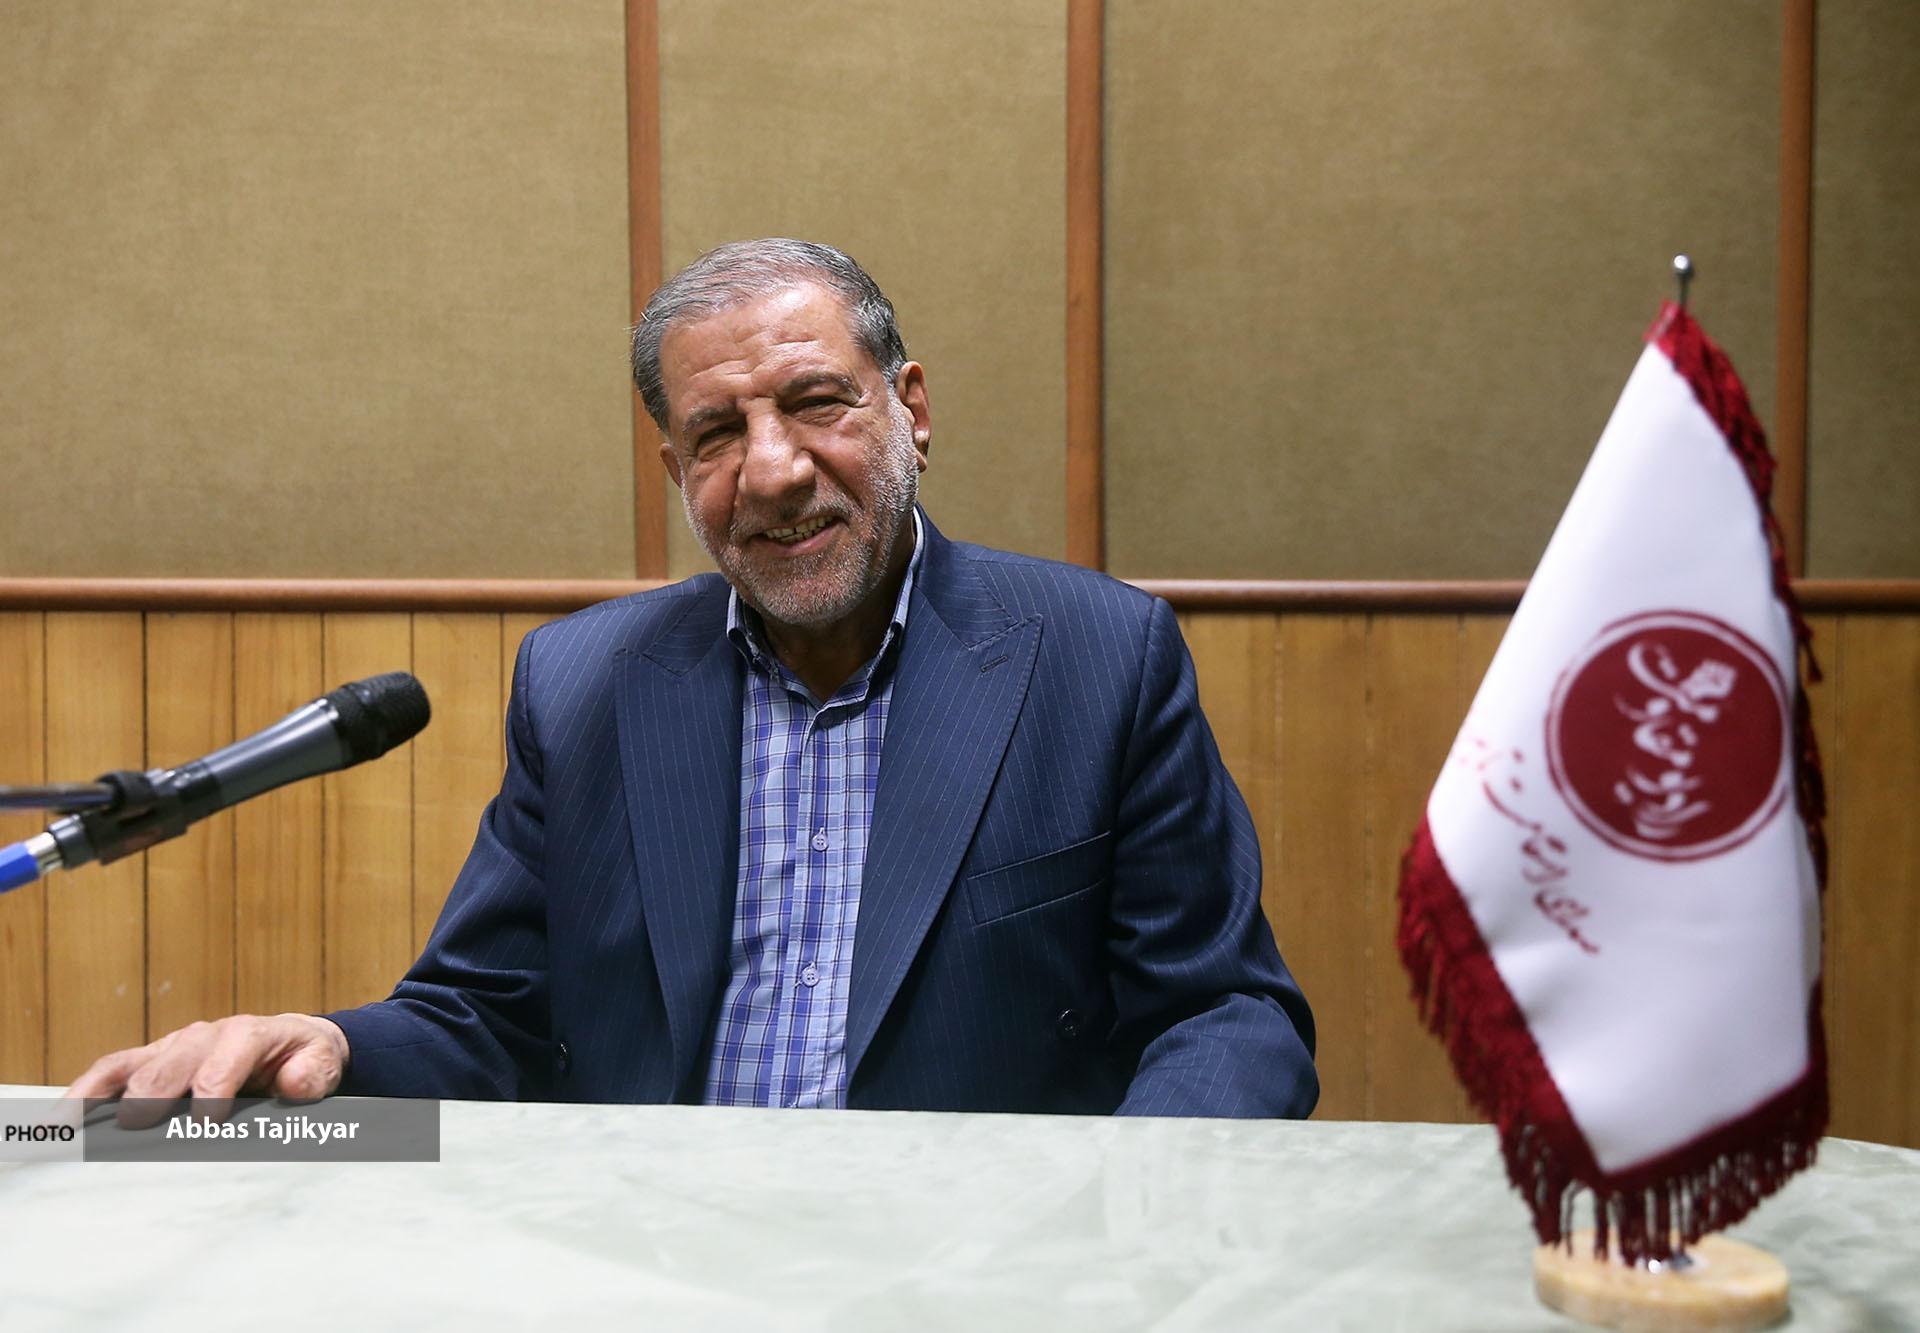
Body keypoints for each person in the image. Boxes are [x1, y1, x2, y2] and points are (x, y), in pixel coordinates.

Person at [65, 239, 1317, 1117]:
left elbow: (1223, 1016)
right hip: (651, 1268)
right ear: (677, 473)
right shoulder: (585, 683)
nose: (771, 470)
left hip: (979, 1273)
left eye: (815, 403)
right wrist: (326, 1042)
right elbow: (487, 1014)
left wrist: (1125, 1219)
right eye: (716, 434)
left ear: (911, 409)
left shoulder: (1096, 656)